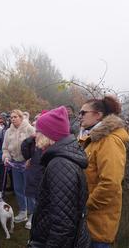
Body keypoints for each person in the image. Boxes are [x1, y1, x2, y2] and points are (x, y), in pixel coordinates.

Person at [29, 106, 90, 248]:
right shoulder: (59, 160)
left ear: (50, 135)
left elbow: (63, 225)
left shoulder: (60, 165)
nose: (34, 135)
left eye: (38, 131)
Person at [78, 96, 129, 248]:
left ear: (98, 115)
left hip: (98, 223)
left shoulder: (109, 141)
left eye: (83, 112)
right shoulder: (93, 138)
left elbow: (110, 184)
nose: (79, 116)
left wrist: (86, 205)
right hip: (88, 220)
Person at [2, 109, 35, 224]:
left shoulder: (30, 129)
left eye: (15, 117)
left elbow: (37, 147)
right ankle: (23, 212)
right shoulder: (8, 132)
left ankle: (32, 214)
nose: (13, 119)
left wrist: (31, 160)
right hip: (15, 164)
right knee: (18, 189)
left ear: (21, 117)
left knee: (29, 190)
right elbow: (5, 148)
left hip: (28, 164)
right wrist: (6, 157)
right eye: (11, 117)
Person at [21, 112, 46, 230]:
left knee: (41, 197)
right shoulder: (33, 140)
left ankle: (40, 217)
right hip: (33, 170)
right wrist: (29, 140)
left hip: (43, 172)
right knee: (31, 194)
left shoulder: (49, 141)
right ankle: (32, 215)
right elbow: (26, 152)